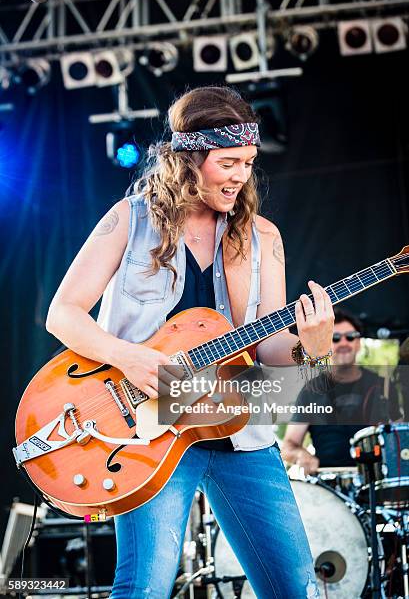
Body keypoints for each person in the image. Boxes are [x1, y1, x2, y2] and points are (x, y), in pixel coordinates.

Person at [46, 86, 334, 599]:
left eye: (248, 161)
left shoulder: (263, 236)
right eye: (228, 162)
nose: (241, 175)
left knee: (296, 587)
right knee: (145, 587)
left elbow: (269, 345)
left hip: (238, 431)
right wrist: (126, 356)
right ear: (188, 160)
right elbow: (62, 314)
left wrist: (311, 345)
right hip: (148, 433)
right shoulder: (127, 220)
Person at [282, 307, 401, 475]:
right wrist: (302, 455)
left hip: (378, 480)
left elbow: (400, 438)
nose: (344, 343)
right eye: (335, 338)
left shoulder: (384, 386)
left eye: (351, 337)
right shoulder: (311, 390)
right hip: (329, 487)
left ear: (358, 343)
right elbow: (289, 446)